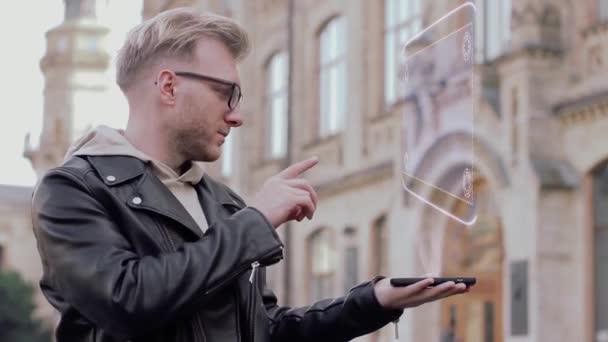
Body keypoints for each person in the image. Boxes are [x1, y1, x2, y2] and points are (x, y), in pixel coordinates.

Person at [31, 8, 469, 342]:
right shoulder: (72, 189)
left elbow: (266, 330)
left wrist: (371, 302)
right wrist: (254, 223)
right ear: (168, 86)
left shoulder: (222, 203)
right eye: (227, 93)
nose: (238, 115)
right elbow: (128, 301)